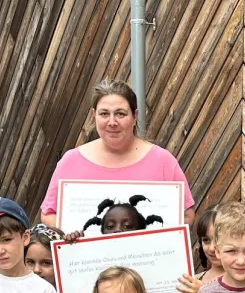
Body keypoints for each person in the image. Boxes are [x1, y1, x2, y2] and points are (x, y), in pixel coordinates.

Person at [40, 80, 196, 229]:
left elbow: (187, 215)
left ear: (135, 116)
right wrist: (75, 235)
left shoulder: (162, 161)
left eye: (120, 114)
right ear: (94, 115)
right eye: (104, 114)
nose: (112, 122)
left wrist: (156, 235)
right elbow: (48, 214)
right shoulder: (71, 161)